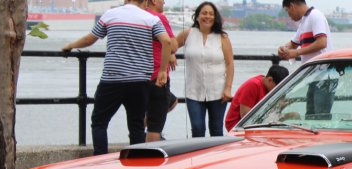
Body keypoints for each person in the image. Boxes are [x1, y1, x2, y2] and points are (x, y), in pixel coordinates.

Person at [62, 0, 171, 155]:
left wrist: (70, 45)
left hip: (112, 79)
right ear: (145, 1)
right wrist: (162, 71)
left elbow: (90, 39)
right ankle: (137, 160)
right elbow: (166, 41)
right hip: (140, 80)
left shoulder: (111, 14)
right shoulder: (151, 19)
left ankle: (100, 158)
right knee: (137, 125)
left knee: (99, 122)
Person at [176, 2, 234, 137]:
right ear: (197, 17)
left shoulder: (222, 37)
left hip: (217, 92)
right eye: (204, 13)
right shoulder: (188, 33)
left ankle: (216, 157)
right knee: (197, 128)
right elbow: (171, 45)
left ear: (215, 17)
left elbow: (230, 64)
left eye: (211, 14)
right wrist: (172, 54)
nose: (208, 17)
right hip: (194, 91)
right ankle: (197, 157)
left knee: (216, 129)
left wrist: (228, 88)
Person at [143, 0, 178, 142]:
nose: (164, 2)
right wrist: (171, 52)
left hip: (137, 75)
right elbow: (173, 44)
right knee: (155, 126)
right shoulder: (158, 18)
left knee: (137, 120)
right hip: (157, 75)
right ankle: (149, 157)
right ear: (153, 1)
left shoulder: (137, 17)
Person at [224, 65, 290, 132]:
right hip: (237, 125)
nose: (278, 92)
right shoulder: (253, 85)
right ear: (270, 80)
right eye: (277, 88)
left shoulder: (269, 87)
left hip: (257, 121)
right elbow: (245, 116)